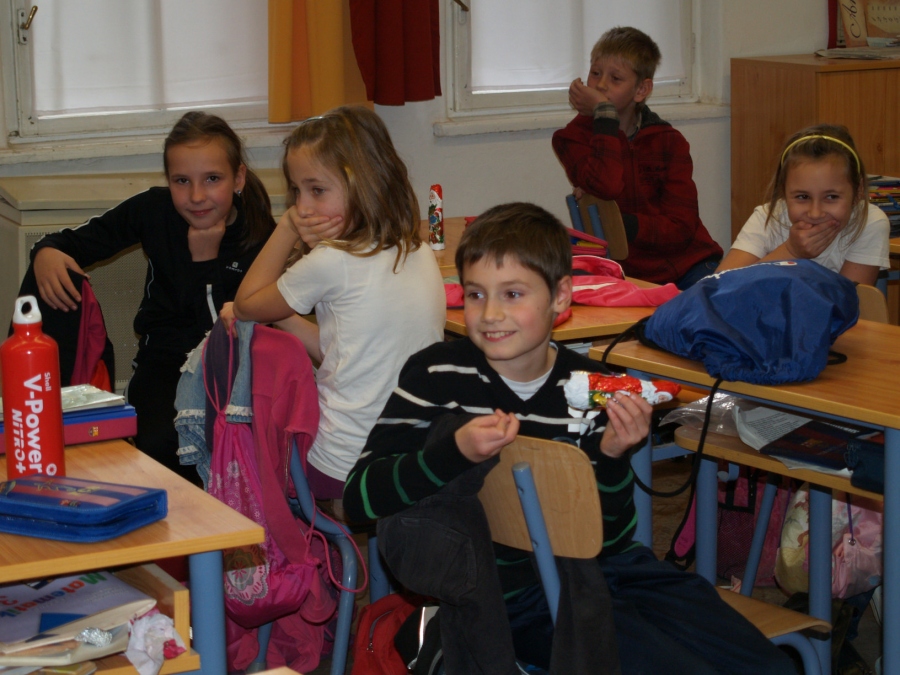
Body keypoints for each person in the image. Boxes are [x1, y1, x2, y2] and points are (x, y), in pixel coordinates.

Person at [343, 202, 796, 675]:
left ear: (561, 297)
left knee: (764, 664)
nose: (491, 313)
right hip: (512, 599)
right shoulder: (435, 374)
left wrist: (611, 455)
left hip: (611, 570)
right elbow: (359, 500)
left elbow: (610, 540)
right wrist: (452, 453)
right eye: (476, 294)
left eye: (513, 293)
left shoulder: (593, 386)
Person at [30, 111, 275, 482]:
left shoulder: (260, 236)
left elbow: (224, 335)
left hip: (232, 366)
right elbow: (72, 241)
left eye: (212, 179)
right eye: (181, 181)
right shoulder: (153, 210)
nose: (196, 196)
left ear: (238, 178)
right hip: (163, 361)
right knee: (159, 443)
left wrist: (205, 262)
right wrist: (45, 251)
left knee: (233, 444)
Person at [232, 105, 445, 499]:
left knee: (250, 429)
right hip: (412, 461)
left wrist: (287, 227)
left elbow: (245, 303)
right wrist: (281, 314)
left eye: (316, 190)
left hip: (341, 467)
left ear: (365, 184)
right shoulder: (418, 250)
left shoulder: (332, 261)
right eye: (296, 192)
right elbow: (344, 352)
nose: (302, 208)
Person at [552, 26, 722, 289]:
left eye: (615, 78)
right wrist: (605, 116)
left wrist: (622, 224)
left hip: (688, 265)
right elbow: (607, 186)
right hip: (626, 275)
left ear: (641, 89)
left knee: (716, 301)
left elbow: (681, 228)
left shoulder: (669, 141)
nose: (600, 84)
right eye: (595, 73)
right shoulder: (571, 139)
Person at [717, 124, 889, 285]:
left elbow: (847, 301)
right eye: (802, 196)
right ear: (784, 191)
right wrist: (791, 251)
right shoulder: (767, 217)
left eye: (831, 197)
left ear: (858, 191)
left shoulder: (869, 222)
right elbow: (719, 288)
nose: (815, 213)